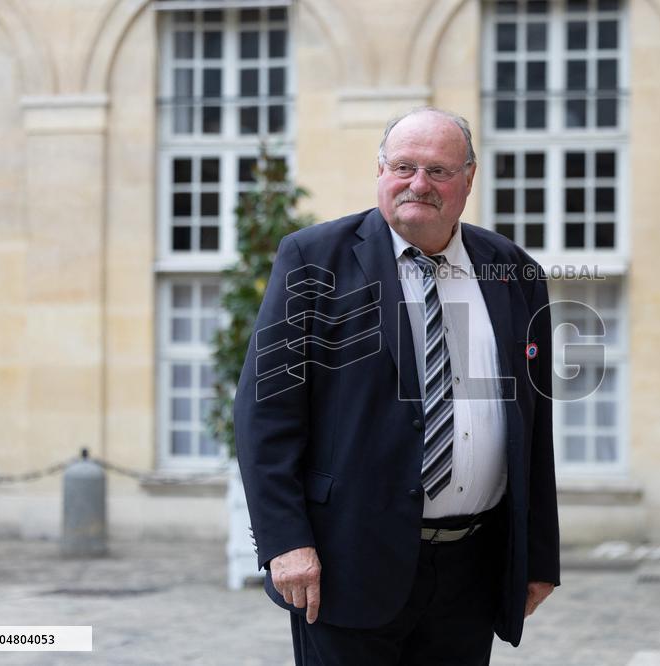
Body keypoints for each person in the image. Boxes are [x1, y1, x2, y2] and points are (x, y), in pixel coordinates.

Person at [234, 107, 560, 666]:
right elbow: (266, 412)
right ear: (380, 170)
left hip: (472, 570)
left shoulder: (512, 271)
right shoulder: (315, 258)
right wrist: (284, 541)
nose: (419, 184)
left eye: (438, 171)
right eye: (404, 166)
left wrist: (538, 555)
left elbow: (533, 424)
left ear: (468, 179)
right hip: (346, 564)